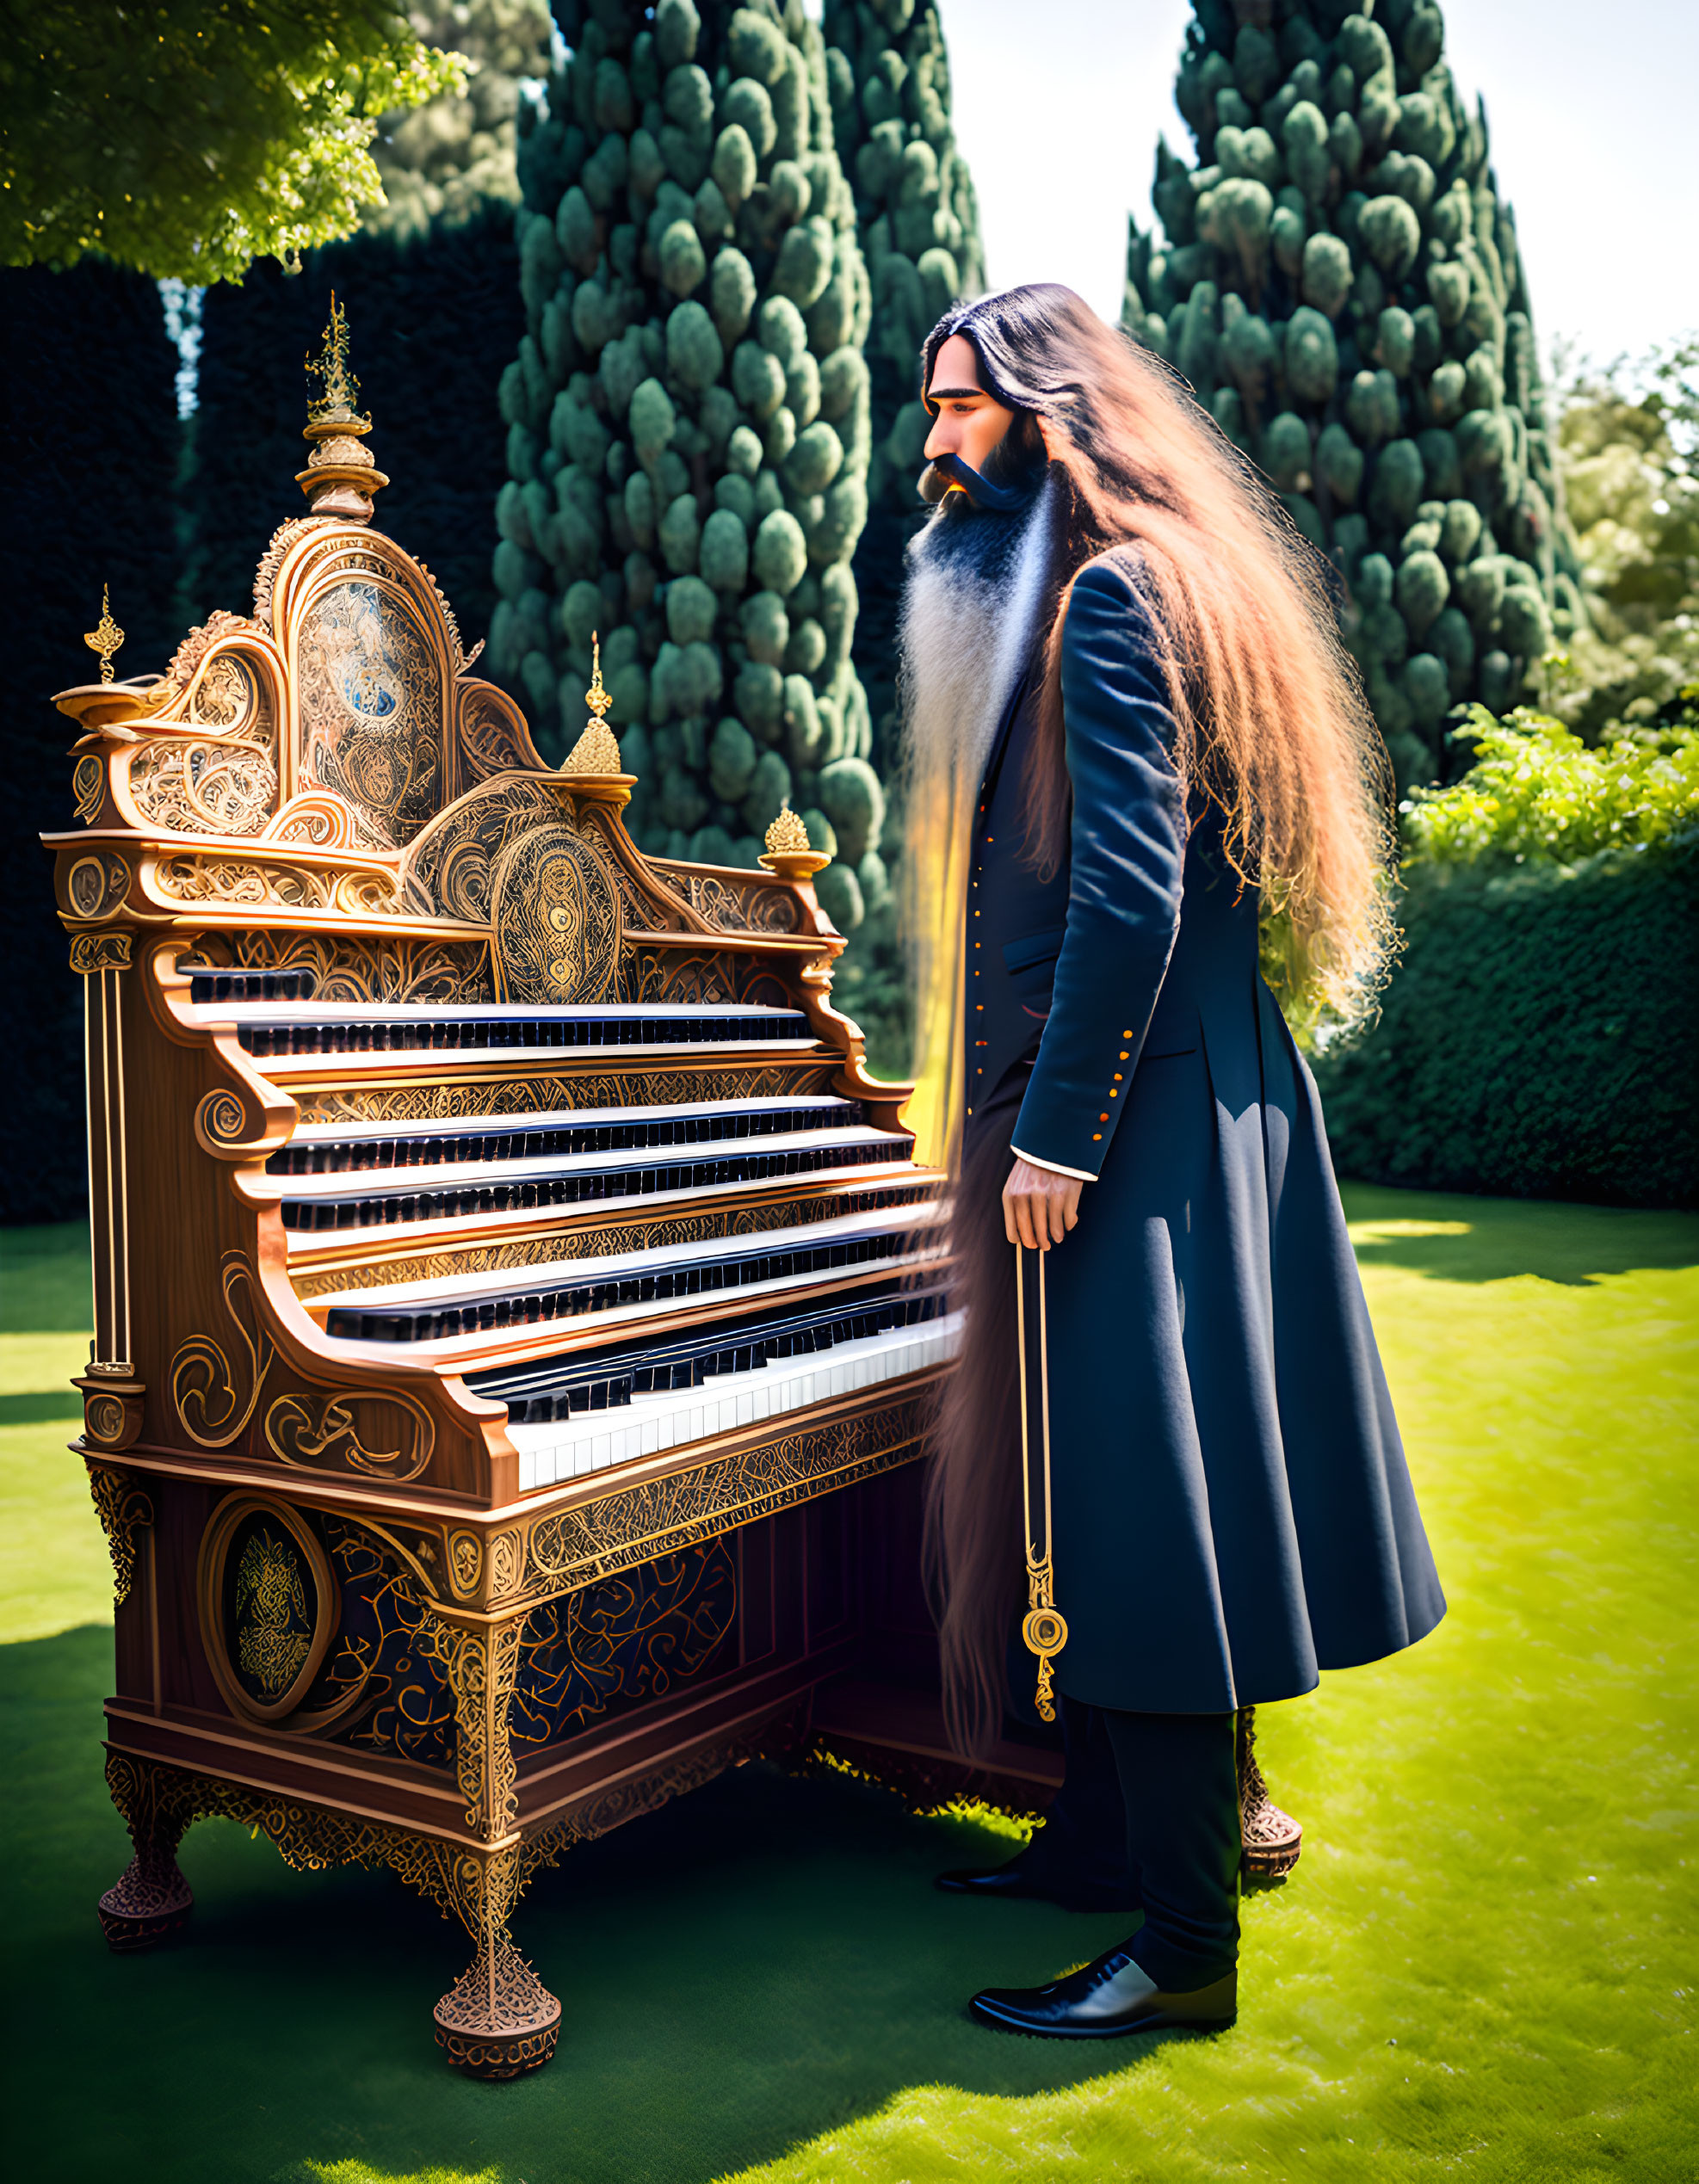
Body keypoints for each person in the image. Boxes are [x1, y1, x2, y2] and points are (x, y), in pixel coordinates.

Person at [897, 285, 1445, 2040]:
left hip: (1120, 1129)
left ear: (1050, 416)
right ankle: (1094, 1839)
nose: (936, 444)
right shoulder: (1160, 580)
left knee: (1136, 1519)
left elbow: (1131, 898)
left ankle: (1182, 1952)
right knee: (1125, 1497)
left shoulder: (1115, 601)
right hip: (1201, 1107)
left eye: (964, 409)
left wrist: (1051, 1136)